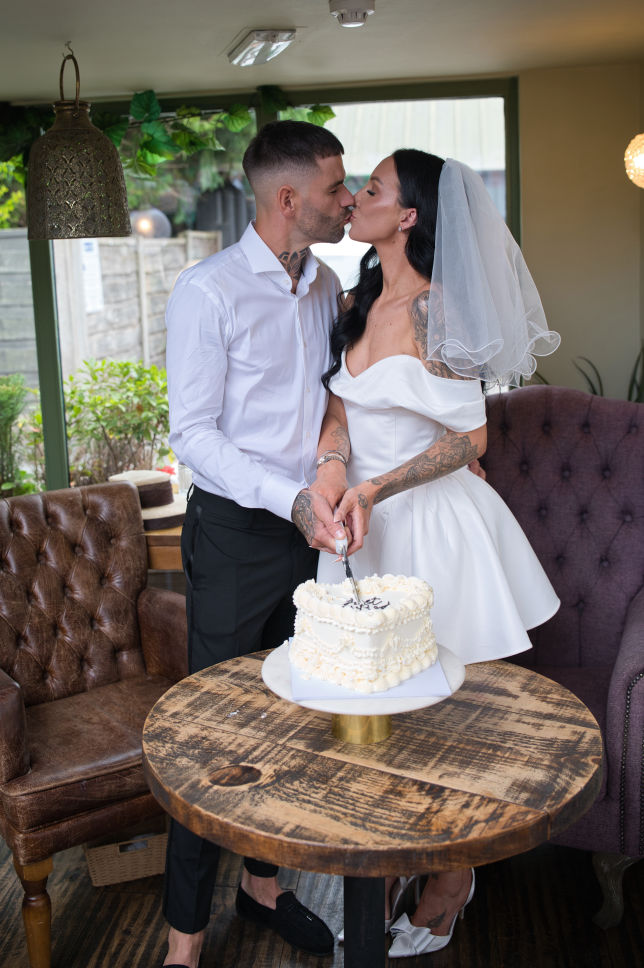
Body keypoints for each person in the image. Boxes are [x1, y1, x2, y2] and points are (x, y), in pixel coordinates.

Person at [314, 149, 561, 958]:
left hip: (433, 530)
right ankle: (386, 863)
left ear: (410, 216)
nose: (356, 200)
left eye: (374, 191)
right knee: (377, 722)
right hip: (362, 530)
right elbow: (340, 410)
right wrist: (334, 469)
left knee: (449, 726)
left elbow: (472, 438)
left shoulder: (438, 310)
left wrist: (377, 490)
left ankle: (453, 879)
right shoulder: (355, 298)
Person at [162, 120, 355, 968]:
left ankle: (264, 890)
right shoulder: (206, 293)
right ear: (288, 200)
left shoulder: (327, 285)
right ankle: (183, 943)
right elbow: (194, 436)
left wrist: (327, 474)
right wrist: (290, 497)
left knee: (290, 718)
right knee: (213, 735)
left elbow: (326, 406)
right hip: (238, 533)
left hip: (308, 532)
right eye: (335, 189)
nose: (347, 200)